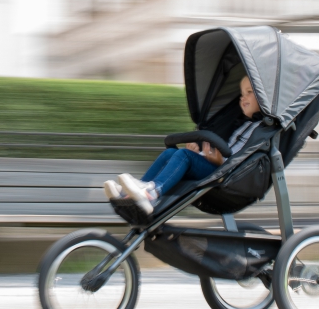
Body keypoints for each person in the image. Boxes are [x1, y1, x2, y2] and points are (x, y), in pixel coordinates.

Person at [107, 75, 262, 214]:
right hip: (220, 166)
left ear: (262, 96)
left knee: (183, 155)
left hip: (228, 175)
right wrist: (201, 155)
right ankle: (135, 193)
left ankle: (152, 193)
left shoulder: (260, 130)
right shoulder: (244, 126)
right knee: (170, 153)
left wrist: (218, 161)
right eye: (241, 94)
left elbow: (241, 161)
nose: (243, 98)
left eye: (249, 92)